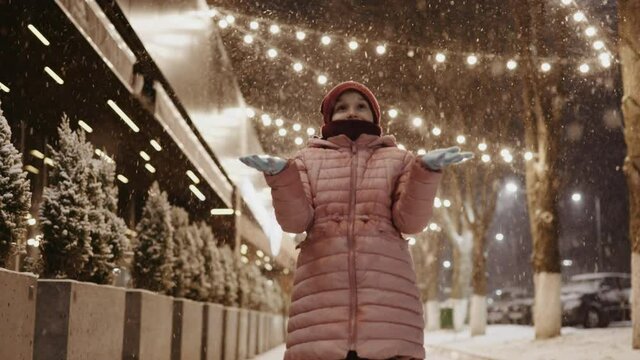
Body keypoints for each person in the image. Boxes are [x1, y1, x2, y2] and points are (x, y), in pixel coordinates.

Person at [240, 81, 473, 360]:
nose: (352, 112)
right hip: (321, 309)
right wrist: (282, 177)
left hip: (386, 309)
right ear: (328, 117)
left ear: (375, 116)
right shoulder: (306, 160)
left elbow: (410, 222)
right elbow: (295, 221)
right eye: (342, 107)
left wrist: (425, 172)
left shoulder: (398, 160)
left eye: (361, 106)